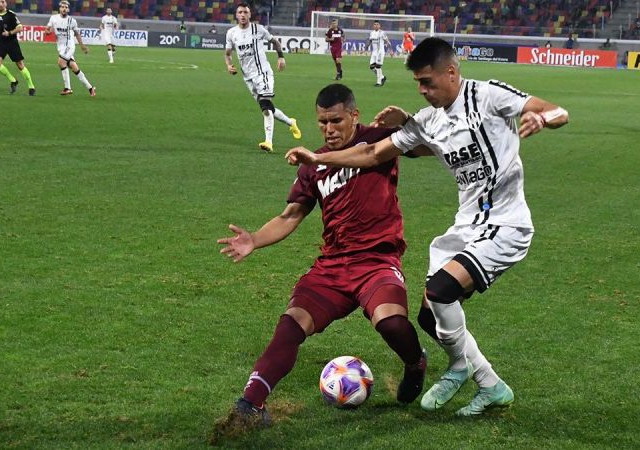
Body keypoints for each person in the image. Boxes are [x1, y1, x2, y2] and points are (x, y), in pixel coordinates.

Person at [286, 37, 569, 416]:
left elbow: (558, 111)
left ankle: (460, 368)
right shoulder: (429, 120)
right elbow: (372, 153)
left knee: (440, 292)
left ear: (451, 73)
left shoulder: (487, 95)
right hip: (466, 226)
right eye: (417, 83)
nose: (421, 90)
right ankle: (489, 383)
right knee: (428, 316)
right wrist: (320, 158)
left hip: (505, 223)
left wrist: (541, 118)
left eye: (427, 82)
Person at [211, 83, 427, 442]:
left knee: (390, 322)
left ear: (354, 116)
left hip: (377, 260)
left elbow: (428, 146)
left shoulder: (379, 139)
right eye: (323, 122)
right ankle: (250, 405)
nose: (329, 129)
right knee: (290, 324)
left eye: (336, 121)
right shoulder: (313, 164)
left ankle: (415, 362)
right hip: (333, 266)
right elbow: (291, 215)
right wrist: (255, 239)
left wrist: (406, 120)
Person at [224, 2, 302, 152]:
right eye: (240, 12)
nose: (242, 15)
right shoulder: (231, 33)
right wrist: (229, 65)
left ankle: (268, 142)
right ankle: (291, 122)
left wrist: (281, 57)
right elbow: (228, 54)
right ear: (236, 15)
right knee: (267, 107)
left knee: (265, 107)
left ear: (249, 14)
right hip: (248, 77)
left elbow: (275, 42)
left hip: (263, 73)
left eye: (245, 12)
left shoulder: (258, 29)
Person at [45, 1, 95, 97]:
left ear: (68, 9)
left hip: (69, 46)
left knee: (61, 62)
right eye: (62, 7)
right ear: (59, 8)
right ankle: (90, 88)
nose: (64, 9)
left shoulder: (72, 21)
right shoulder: (53, 18)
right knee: (74, 68)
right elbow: (47, 29)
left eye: (66, 7)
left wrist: (82, 46)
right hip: (60, 47)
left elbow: (77, 34)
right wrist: (48, 31)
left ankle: (67, 88)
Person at [0, 0, 35, 95]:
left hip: (12, 42)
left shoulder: (11, 14)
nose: (1, 4)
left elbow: (20, 27)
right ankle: (13, 80)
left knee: (20, 65)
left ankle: (31, 86)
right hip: (1, 42)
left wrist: (9, 33)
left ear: (6, 3)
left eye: (3, 2)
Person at [366, 20, 392, 87]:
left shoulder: (382, 33)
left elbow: (388, 42)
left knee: (378, 66)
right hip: (374, 52)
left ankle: (379, 82)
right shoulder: (372, 33)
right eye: (375, 24)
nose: (376, 25)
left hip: (380, 52)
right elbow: (370, 41)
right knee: (372, 67)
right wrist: (366, 48)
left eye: (377, 24)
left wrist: (391, 50)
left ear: (380, 26)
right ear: (373, 26)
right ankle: (382, 77)